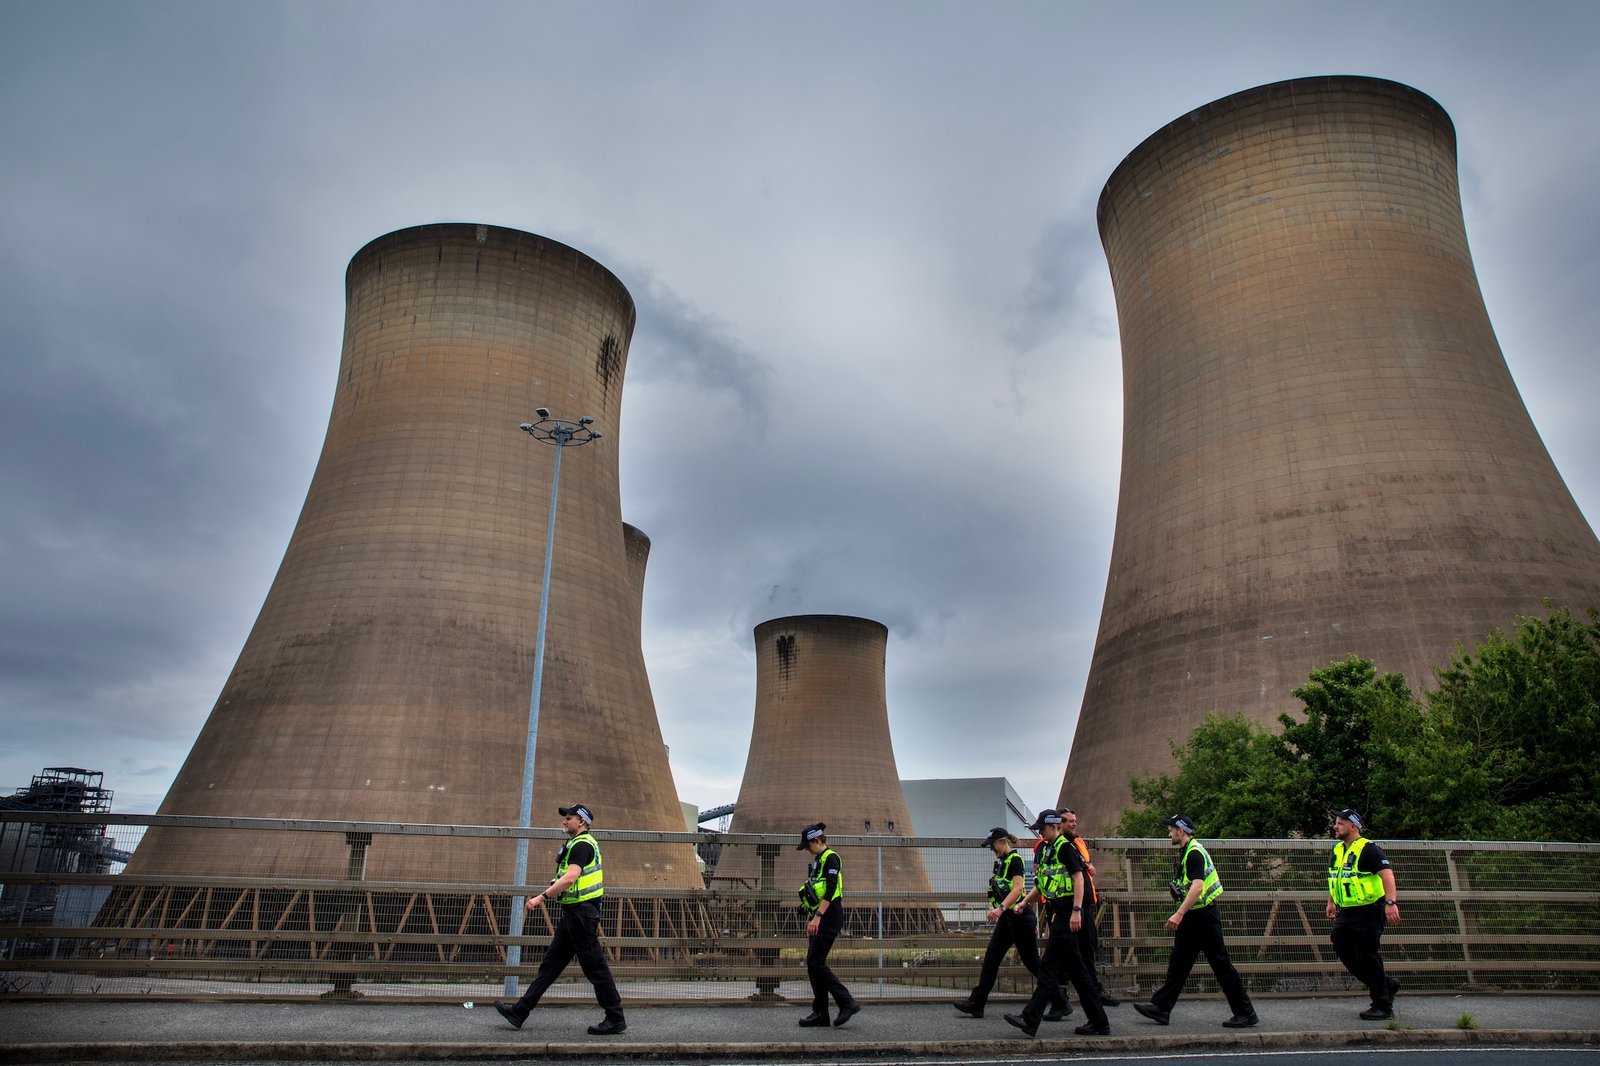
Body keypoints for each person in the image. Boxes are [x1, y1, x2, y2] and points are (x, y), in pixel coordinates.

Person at [494, 804, 626, 1036]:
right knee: (550, 965)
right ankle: (520, 1011)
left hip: (582, 915)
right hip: (573, 914)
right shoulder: (575, 843)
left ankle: (615, 1018)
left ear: (581, 822)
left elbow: (570, 878)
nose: (565, 821)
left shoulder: (583, 845)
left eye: (569, 818)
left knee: (595, 967)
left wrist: (540, 897)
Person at [1131, 815, 1258, 1029]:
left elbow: (1198, 887)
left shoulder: (1194, 853)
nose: (1169, 833)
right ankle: (1161, 1008)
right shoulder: (1187, 852)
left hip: (1203, 917)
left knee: (1221, 965)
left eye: (1171, 829)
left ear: (1181, 831)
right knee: (1178, 963)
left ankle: (1246, 1013)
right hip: (1194, 916)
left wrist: (1178, 914)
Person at [1003, 810, 1110, 1038]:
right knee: (1079, 973)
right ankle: (1099, 1022)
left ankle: (1030, 1018)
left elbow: (1079, 878)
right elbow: (1043, 884)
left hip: (1066, 913)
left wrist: (1076, 911)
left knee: (1049, 966)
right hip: (1056, 912)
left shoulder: (1065, 848)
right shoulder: (1048, 851)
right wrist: (1024, 903)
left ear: (1054, 827)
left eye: (1042, 828)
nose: (1039, 832)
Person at [952, 828, 1045, 1018]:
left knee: (1032, 963)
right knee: (992, 957)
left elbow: (1019, 889)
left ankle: (1060, 999)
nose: (991, 849)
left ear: (1002, 841)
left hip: (1018, 917)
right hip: (1008, 919)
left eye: (993, 845)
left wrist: (1000, 908)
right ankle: (977, 1003)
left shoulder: (1015, 860)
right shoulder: (1002, 862)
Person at [1327, 807, 1401, 1020]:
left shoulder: (1369, 849)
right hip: (1347, 910)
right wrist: (1331, 901)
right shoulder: (1338, 850)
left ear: (1353, 826)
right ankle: (1386, 984)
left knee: (1368, 955)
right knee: (1341, 946)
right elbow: (1336, 877)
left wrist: (1390, 902)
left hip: (1369, 909)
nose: (1335, 826)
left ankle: (1382, 1005)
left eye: (1340, 823)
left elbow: (1387, 875)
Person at [795, 822, 862, 1028]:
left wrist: (817, 916)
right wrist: (805, 908)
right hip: (820, 916)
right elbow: (816, 888)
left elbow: (831, 889)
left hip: (829, 916)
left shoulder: (831, 858)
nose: (807, 849)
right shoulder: (818, 860)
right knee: (814, 964)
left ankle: (846, 1001)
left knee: (816, 963)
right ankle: (821, 1013)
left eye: (808, 845)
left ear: (816, 840)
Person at [1063, 807, 1120, 1006]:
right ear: (1059, 824)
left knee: (1087, 950)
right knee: (1063, 954)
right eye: (1069, 821)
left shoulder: (1078, 843)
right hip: (1067, 907)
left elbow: (1082, 866)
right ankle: (1063, 997)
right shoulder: (1053, 846)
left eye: (1074, 820)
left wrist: (1089, 867)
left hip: (1085, 905)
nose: (1073, 824)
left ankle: (1093, 994)